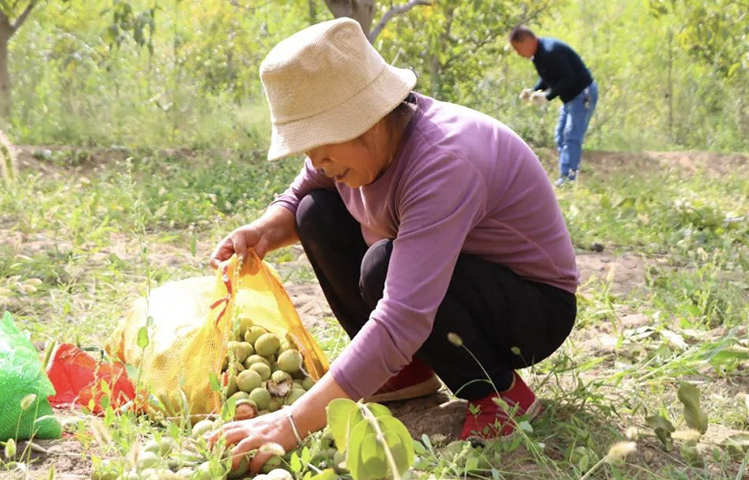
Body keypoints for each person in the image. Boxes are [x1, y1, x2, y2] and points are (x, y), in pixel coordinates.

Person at [208, 18, 578, 473]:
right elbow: (300, 195)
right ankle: (405, 374)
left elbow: (404, 315)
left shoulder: (443, 160)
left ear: (367, 119)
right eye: (305, 148)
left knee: (383, 267)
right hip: (457, 284)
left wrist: (291, 423)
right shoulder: (352, 148)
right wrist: (262, 232)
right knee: (314, 212)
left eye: (319, 144)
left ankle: (499, 394)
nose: (315, 160)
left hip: (532, 308)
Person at [510, 25, 598, 186]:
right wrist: (533, 91)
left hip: (581, 94)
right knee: (561, 135)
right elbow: (548, 77)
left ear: (528, 41)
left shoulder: (550, 51)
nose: (518, 53)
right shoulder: (539, 54)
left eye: (518, 48)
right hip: (569, 98)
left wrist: (547, 96)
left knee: (571, 136)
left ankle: (568, 180)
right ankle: (565, 176)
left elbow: (568, 78)